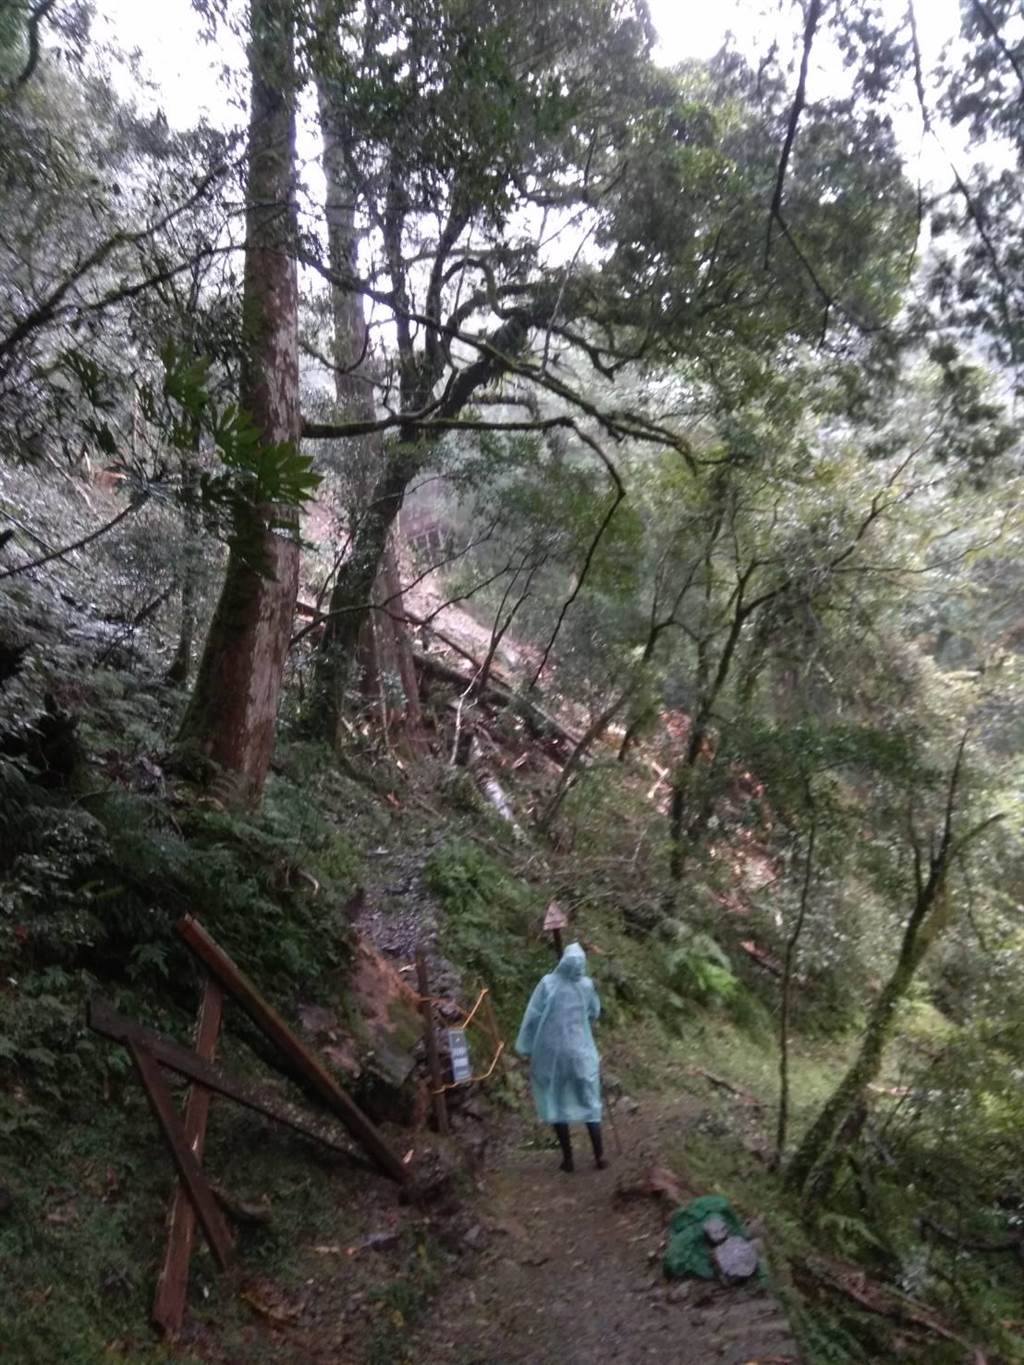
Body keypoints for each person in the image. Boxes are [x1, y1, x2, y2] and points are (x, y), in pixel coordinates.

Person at [515, 942, 607, 1173]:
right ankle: (599, 1156)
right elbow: (594, 1012)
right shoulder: (586, 986)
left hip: (550, 1053)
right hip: (580, 1051)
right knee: (589, 1099)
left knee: (555, 1100)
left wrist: (526, 1046)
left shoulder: (547, 984)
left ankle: (568, 1159)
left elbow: (533, 1015)